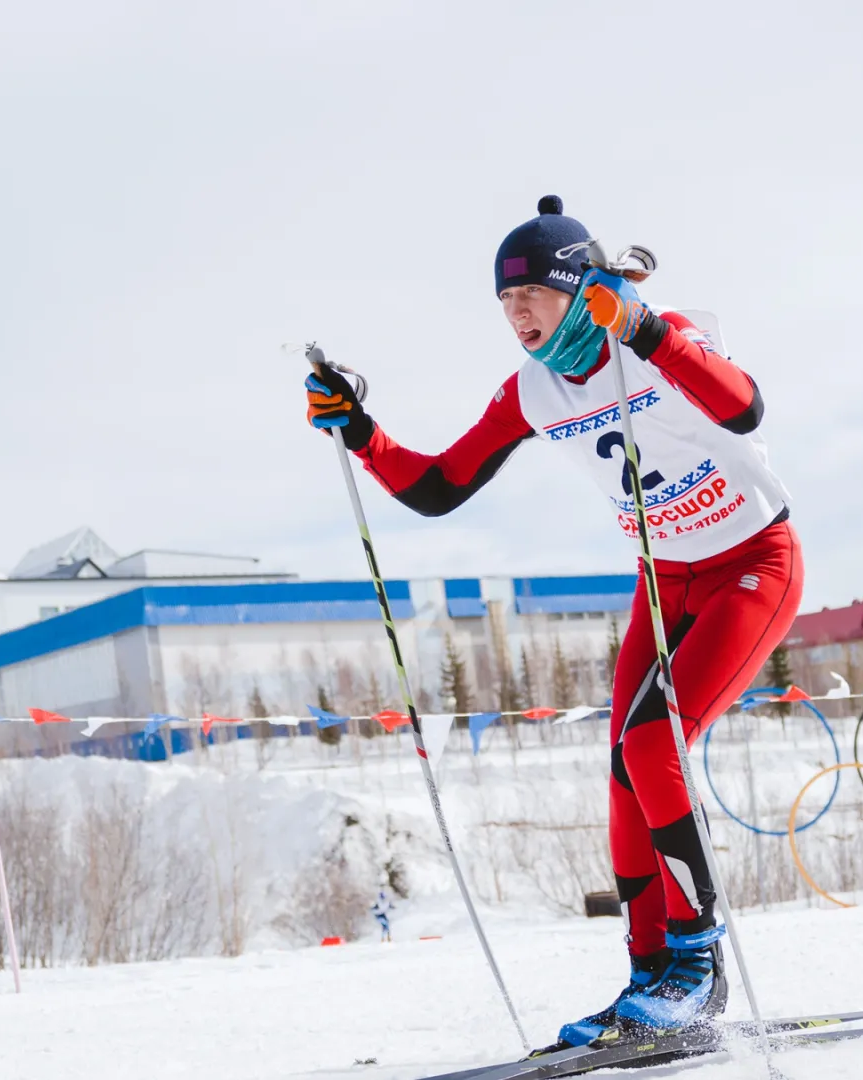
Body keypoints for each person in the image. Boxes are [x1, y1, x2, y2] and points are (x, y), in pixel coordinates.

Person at [303, 196, 803, 1050]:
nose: (518, 314)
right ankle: (650, 974)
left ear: (581, 288)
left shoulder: (655, 335)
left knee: (655, 745)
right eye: (505, 302)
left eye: (532, 292)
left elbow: (744, 408)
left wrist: (644, 329)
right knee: (623, 769)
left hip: (751, 565)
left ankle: (698, 962)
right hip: (664, 581)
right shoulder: (533, 391)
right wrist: (360, 431)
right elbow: (438, 487)